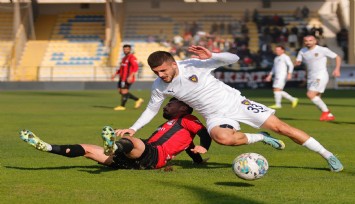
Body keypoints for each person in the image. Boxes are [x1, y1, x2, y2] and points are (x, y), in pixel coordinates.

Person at [117, 45, 343, 172]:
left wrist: (213, 56)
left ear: (174, 64)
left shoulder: (194, 64)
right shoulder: (159, 85)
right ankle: (259, 137)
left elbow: (234, 57)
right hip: (214, 115)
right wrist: (134, 128)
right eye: (157, 72)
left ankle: (328, 155)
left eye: (164, 71)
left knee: (283, 128)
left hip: (237, 103)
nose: (161, 75)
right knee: (221, 138)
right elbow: (151, 109)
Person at [19, 98, 211, 170]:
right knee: (87, 149)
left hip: (154, 155)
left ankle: (115, 146)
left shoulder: (187, 120)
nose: (167, 105)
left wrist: (205, 147)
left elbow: (204, 135)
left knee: (132, 141)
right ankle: (47, 146)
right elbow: (190, 147)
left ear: (184, 108)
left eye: (172, 103)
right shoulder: (172, 125)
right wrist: (198, 160)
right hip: (134, 161)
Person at [295, 35, 342, 121]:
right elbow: (298, 61)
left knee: (310, 94)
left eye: (310, 40)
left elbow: (337, 57)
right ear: (304, 42)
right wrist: (297, 62)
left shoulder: (322, 50)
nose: (308, 42)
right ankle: (329, 115)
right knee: (317, 97)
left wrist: (337, 69)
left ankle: (326, 112)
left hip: (320, 76)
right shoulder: (302, 51)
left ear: (315, 41)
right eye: (306, 41)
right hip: (310, 77)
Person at [111, 44, 144, 111]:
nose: (125, 50)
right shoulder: (124, 58)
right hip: (122, 78)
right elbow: (121, 68)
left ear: (130, 50)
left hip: (127, 78)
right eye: (124, 49)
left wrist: (130, 76)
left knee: (124, 91)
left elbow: (136, 67)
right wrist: (115, 74)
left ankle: (122, 106)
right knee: (120, 91)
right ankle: (138, 100)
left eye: (127, 49)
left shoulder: (132, 57)